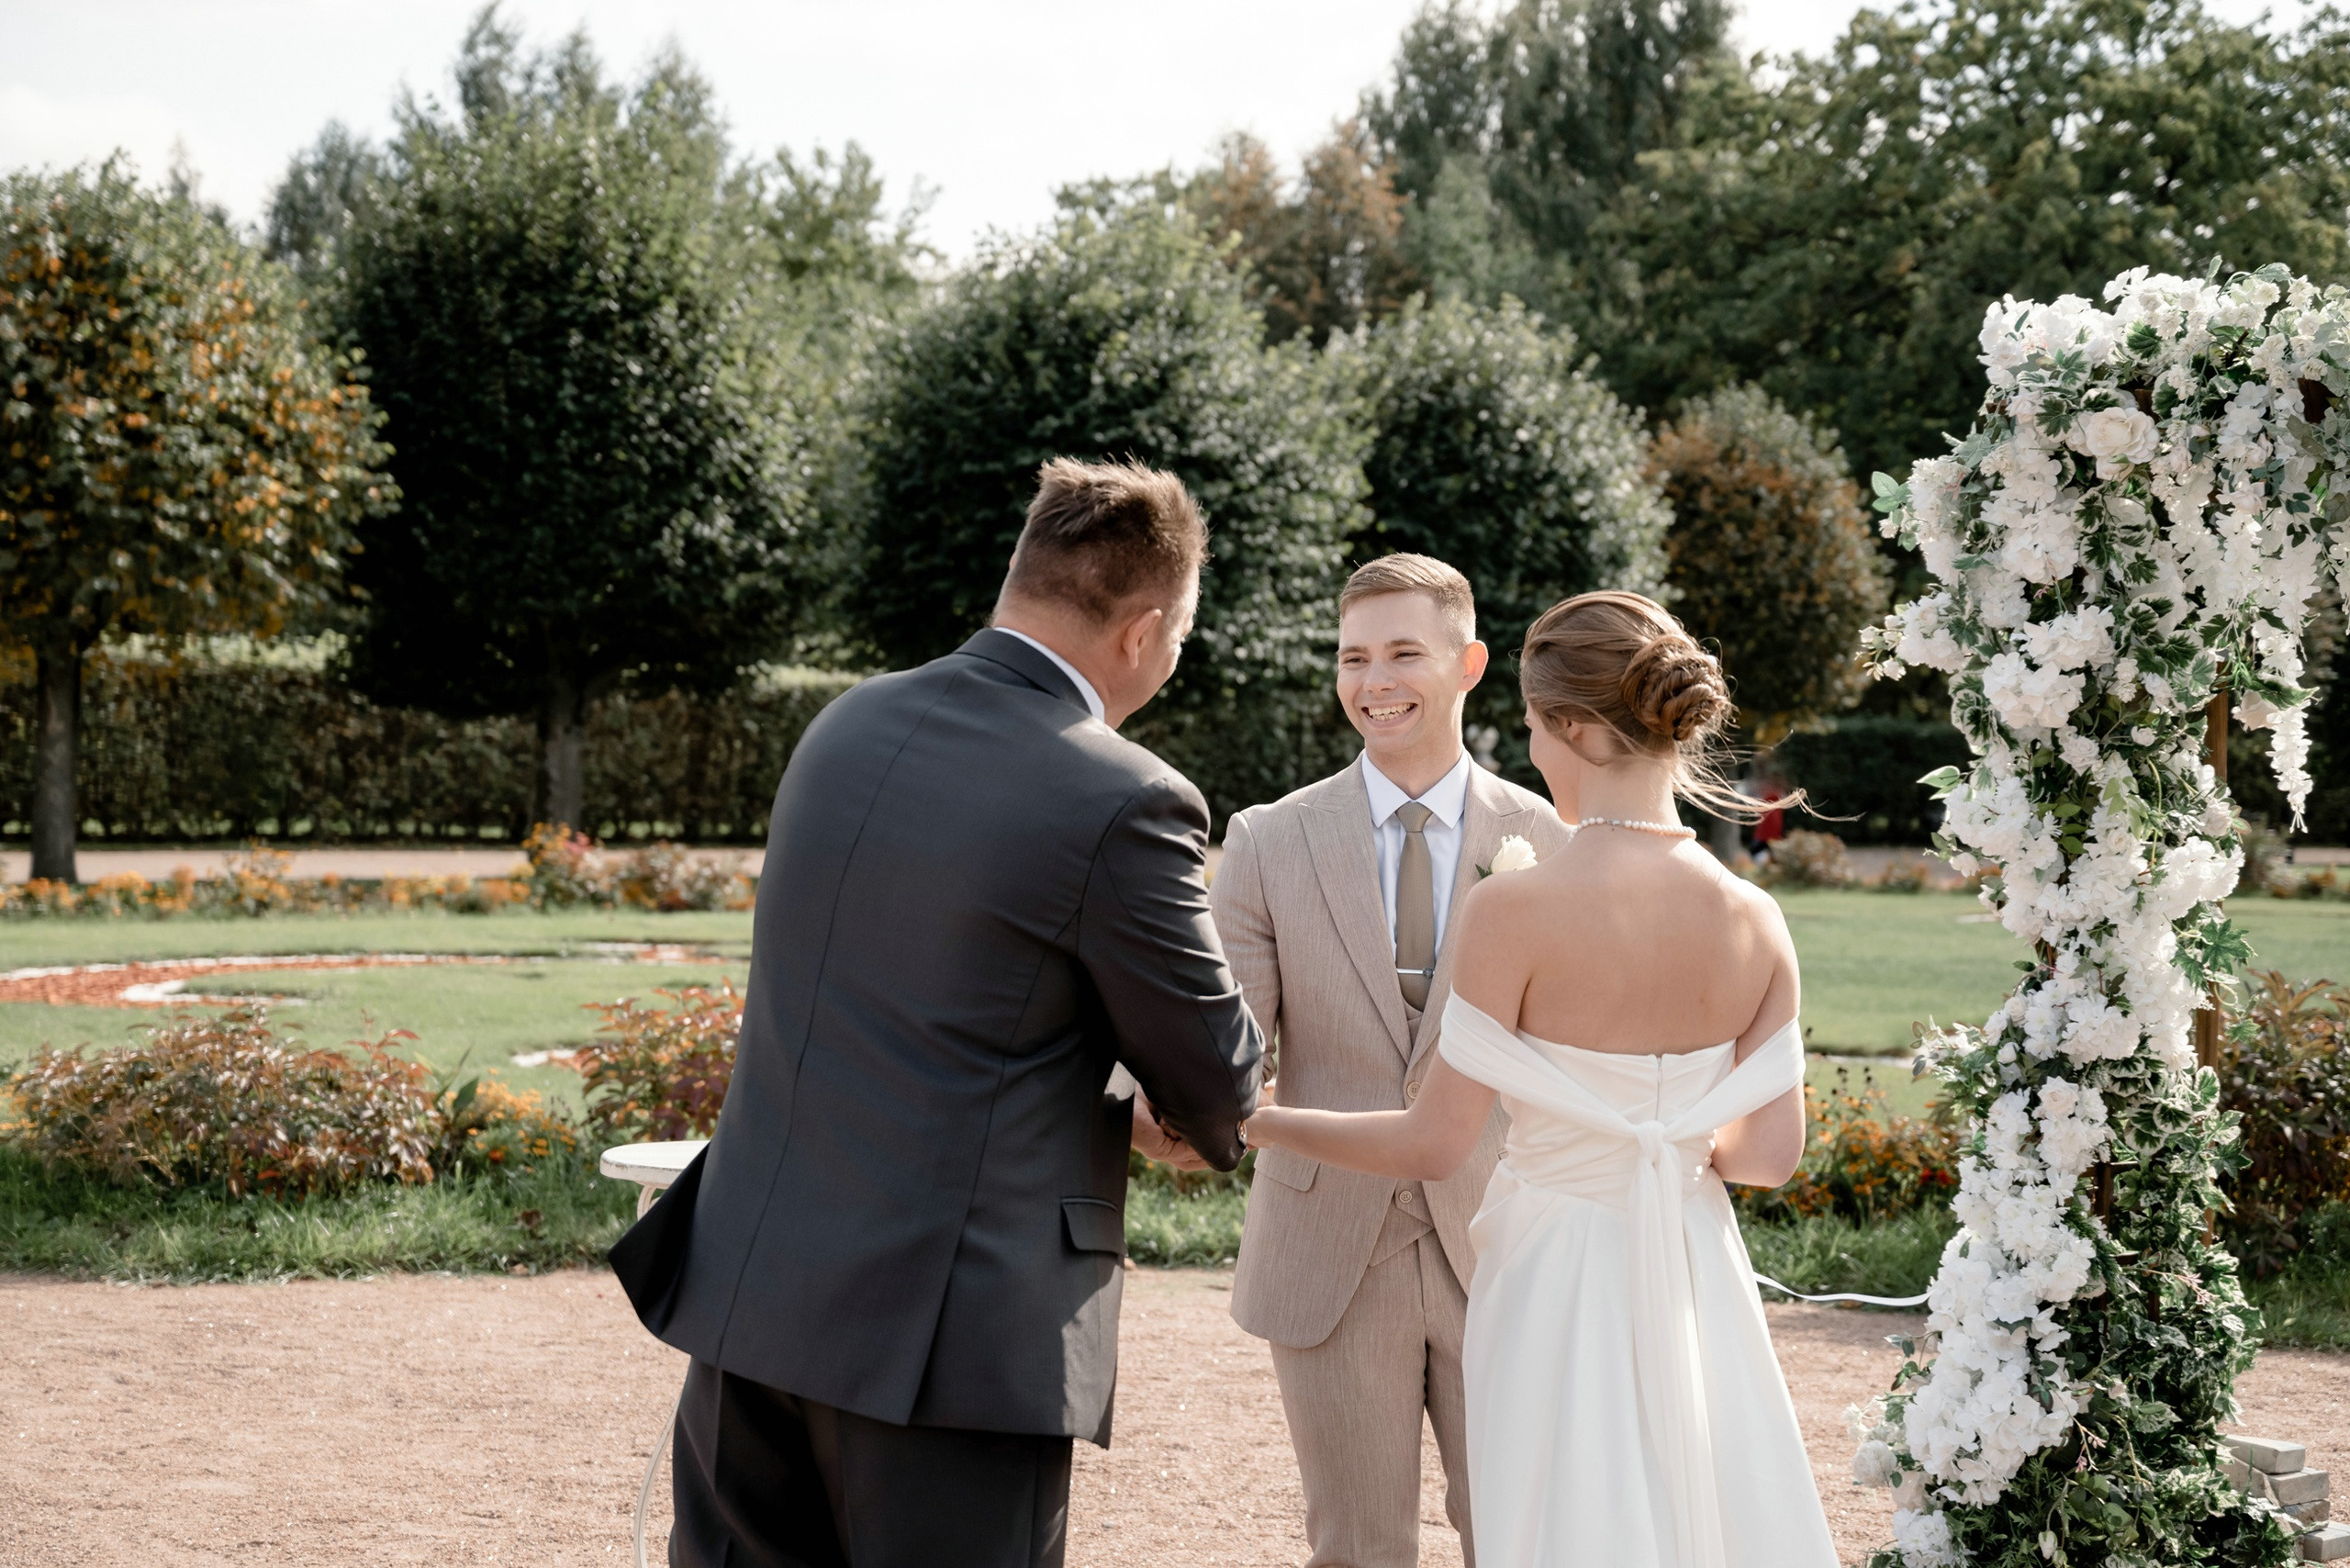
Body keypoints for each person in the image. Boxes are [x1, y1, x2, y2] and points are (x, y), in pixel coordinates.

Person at [610, 457, 1265, 1568]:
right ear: (1145, 631)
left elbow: (927, 997)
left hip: (755, 1294)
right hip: (948, 1349)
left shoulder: (845, 725)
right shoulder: (1127, 794)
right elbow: (1219, 1076)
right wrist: (1182, 1116)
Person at [1240, 590, 1838, 1568]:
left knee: (1557, 1526)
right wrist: (1658, 1147)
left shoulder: (1515, 909)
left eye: (1532, 729)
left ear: (1568, 725)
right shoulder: (1753, 917)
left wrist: (1263, 1123)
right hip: (1691, 1268)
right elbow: (1769, 1157)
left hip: (1552, 1273)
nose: (1531, 753)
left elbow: (1431, 1141)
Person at [1210, 554, 1572, 1568]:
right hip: (1327, 1245)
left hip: (1505, 1242)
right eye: (1352, 657)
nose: (1374, 683)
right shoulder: (1268, 839)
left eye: (1403, 653)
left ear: (1468, 663)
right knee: (1355, 1547)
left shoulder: (1548, 835)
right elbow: (1223, 1045)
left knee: (1522, 1538)